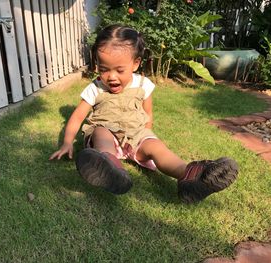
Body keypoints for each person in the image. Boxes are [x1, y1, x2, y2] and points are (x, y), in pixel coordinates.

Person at [49, 24, 238, 203]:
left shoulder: (143, 85)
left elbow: (148, 113)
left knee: (158, 148)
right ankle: (111, 167)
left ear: (135, 64)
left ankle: (191, 176)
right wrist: (67, 142)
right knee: (100, 133)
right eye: (104, 69)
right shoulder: (96, 88)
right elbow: (77, 117)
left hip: (136, 133)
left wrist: (147, 138)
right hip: (107, 131)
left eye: (119, 70)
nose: (111, 76)